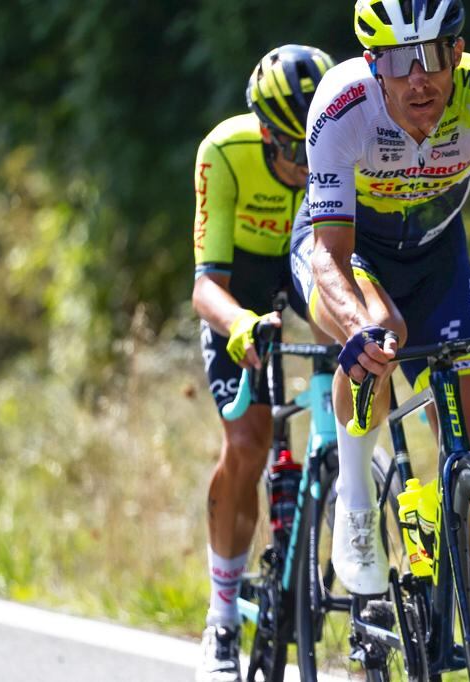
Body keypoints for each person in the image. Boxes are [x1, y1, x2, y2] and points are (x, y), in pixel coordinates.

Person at [289, 0, 470, 674]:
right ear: (371, 65)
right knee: (384, 334)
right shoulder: (341, 106)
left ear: (460, 52)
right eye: (397, 61)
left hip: (440, 259)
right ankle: (356, 504)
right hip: (347, 254)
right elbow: (329, 252)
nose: (420, 79)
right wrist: (357, 328)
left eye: (435, 57)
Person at [191, 44, 334, 682]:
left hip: (308, 265)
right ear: (267, 133)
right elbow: (204, 286)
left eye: (317, 148)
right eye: (295, 150)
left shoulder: (341, 139)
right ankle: (222, 619)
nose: (308, 165)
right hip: (240, 288)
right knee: (248, 443)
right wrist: (242, 324)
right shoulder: (224, 151)